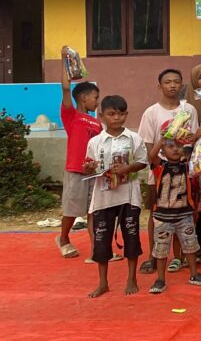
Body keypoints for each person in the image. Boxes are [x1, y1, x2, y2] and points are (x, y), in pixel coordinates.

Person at [83, 95, 148, 298]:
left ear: (126, 114)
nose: (117, 118)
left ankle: (132, 278)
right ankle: (103, 282)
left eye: (121, 113)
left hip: (129, 195)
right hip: (103, 196)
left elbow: (143, 162)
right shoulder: (95, 142)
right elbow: (89, 168)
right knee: (101, 239)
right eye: (111, 114)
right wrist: (88, 168)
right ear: (101, 116)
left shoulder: (134, 138)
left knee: (131, 236)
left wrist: (127, 167)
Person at [137, 69, 200, 275]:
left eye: (176, 82)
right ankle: (154, 256)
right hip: (159, 172)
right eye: (167, 82)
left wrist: (187, 162)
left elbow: (193, 140)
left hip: (183, 172)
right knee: (156, 215)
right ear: (159, 86)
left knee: (183, 214)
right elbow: (147, 144)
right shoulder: (151, 113)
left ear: (181, 85)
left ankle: (179, 257)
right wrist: (157, 163)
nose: (172, 85)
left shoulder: (189, 109)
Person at [146, 127, 201, 294]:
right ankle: (160, 279)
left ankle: (194, 274)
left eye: (178, 146)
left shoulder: (188, 166)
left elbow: (197, 154)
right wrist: (163, 138)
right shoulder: (160, 166)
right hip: (162, 215)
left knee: (190, 246)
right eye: (170, 146)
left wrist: (195, 138)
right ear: (163, 150)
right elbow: (151, 156)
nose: (175, 149)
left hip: (184, 215)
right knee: (161, 249)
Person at [57, 46, 102, 260]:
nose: (97, 101)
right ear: (83, 98)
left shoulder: (97, 122)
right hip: (75, 169)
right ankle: (63, 238)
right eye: (95, 97)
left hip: (93, 171)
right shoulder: (71, 115)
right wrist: (64, 60)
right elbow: (66, 89)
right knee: (72, 209)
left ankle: (96, 250)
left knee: (93, 211)